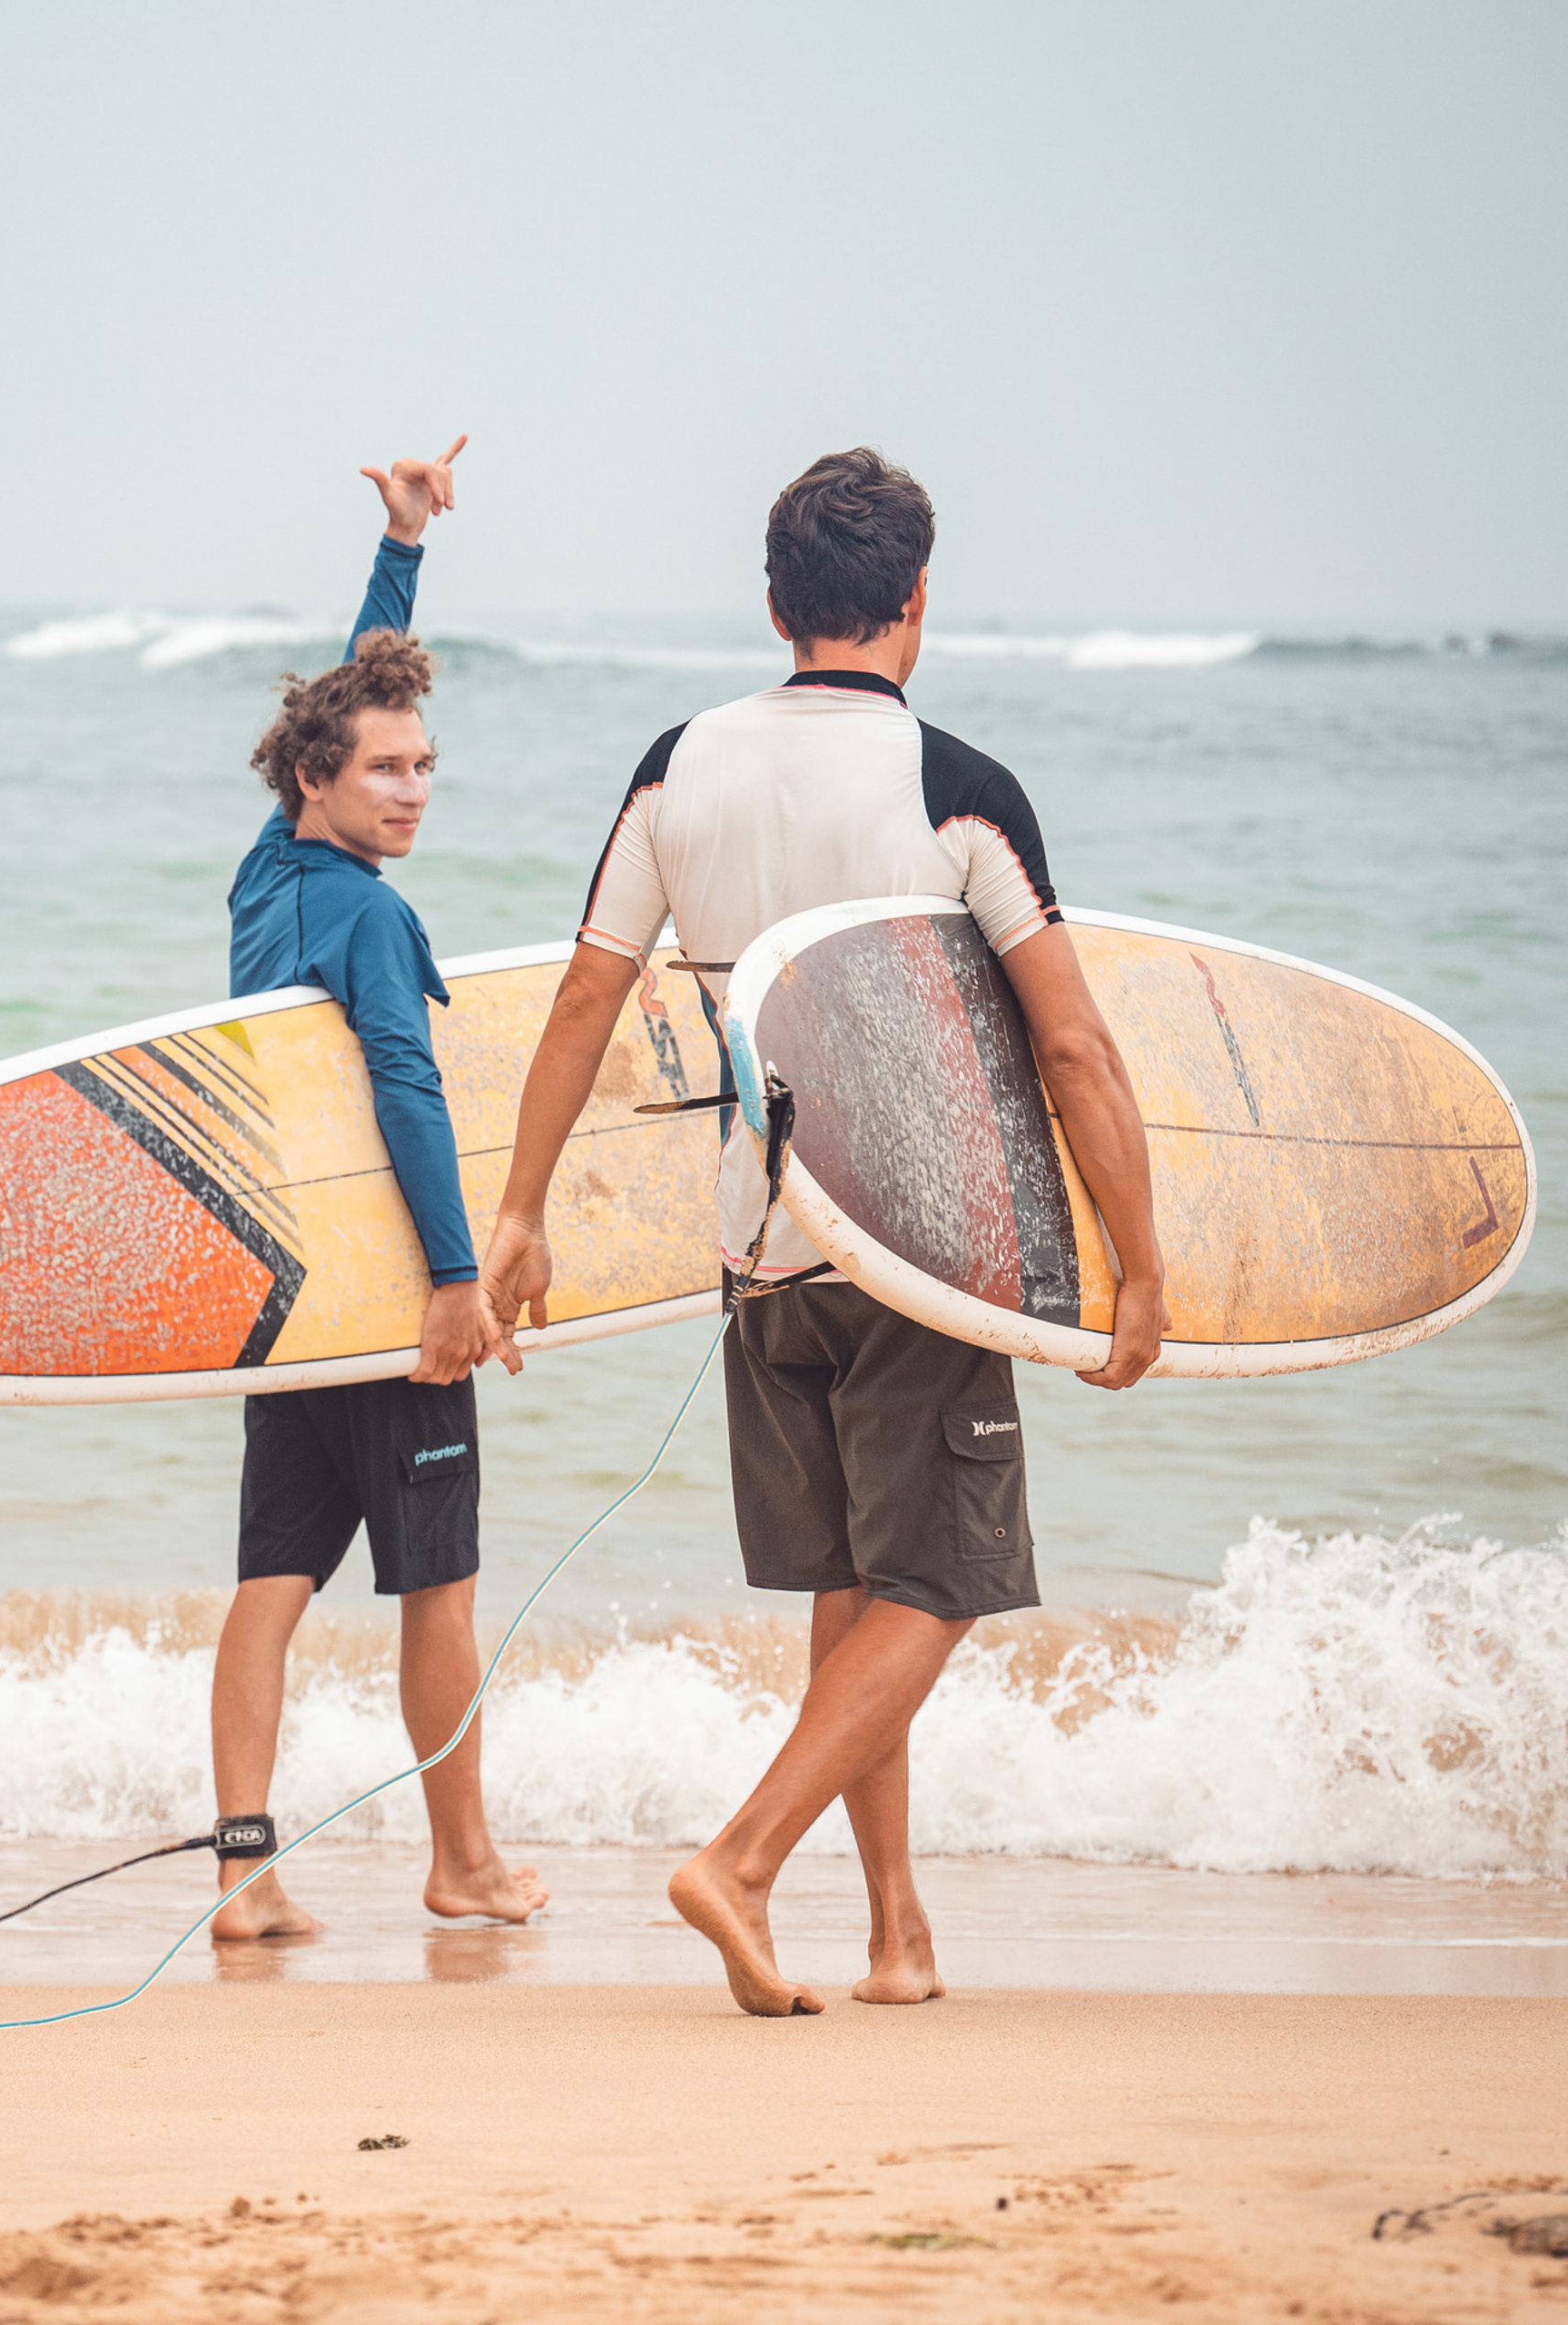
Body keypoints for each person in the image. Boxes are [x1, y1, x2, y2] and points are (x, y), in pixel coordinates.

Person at [480, 447, 1165, 2015]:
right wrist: (1141, 1259)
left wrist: (519, 1212)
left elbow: (589, 991)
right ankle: (742, 1860)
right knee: (937, 1585)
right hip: (923, 1244)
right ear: (917, 600)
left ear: (777, 603)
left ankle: (897, 1937)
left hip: (761, 1244)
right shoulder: (958, 790)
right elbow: (1072, 1050)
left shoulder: (676, 766)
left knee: (858, 1588)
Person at [210, 435, 548, 1944]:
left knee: (273, 1584)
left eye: (427, 770)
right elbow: (408, 1093)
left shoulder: (265, 880)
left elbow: (342, 706)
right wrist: (462, 1280)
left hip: (290, 1307)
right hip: (391, 1303)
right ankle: (461, 1863)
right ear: (320, 780)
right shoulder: (373, 922)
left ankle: (244, 1874)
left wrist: (404, 550)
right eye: (390, 772)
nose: (414, 793)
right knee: (442, 1593)